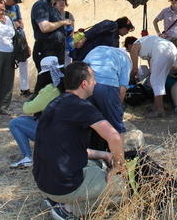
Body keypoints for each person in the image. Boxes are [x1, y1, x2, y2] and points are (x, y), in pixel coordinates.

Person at [33, 61, 125, 219]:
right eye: (93, 79)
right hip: (64, 186)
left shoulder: (54, 103)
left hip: (44, 183)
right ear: (84, 84)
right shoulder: (82, 107)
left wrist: (104, 155)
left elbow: (68, 149)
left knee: (97, 164)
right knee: (123, 188)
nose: (95, 83)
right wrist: (118, 166)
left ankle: (56, 201)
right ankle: (69, 210)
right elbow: (114, 137)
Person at [8, 56, 64, 169]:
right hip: (65, 133)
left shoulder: (49, 90)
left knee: (14, 123)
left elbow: (28, 109)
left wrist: (31, 98)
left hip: (53, 135)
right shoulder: (65, 86)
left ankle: (27, 157)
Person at [84, 45, 132, 150]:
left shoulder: (99, 49)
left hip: (85, 83)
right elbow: (122, 89)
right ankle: (119, 163)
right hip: (106, 85)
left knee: (88, 123)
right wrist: (117, 108)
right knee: (116, 127)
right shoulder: (126, 60)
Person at [129, 35, 177, 117]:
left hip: (162, 51)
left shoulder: (134, 46)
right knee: (158, 81)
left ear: (129, 46)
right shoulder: (146, 43)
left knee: (156, 81)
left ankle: (159, 110)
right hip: (171, 49)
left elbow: (135, 69)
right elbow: (151, 61)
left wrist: (130, 78)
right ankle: (156, 106)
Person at [31, 0, 71, 74]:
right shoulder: (41, 5)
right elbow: (44, 27)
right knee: (47, 81)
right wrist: (63, 22)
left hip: (56, 51)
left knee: (57, 82)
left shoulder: (52, 6)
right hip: (46, 50)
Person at [5, 0, 32, 97]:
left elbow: (21, 22)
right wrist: (13, 24)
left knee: (23, 61)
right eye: (14, 0)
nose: (15, 3)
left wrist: (17, 24)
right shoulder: (0, 6)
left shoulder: (15, 7)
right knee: (8, 64)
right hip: (7, 39)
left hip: (19, 37)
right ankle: (6, 90)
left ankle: (24, 89)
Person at [53, 0, 75, 65]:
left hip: (67, 46)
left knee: (67, 66)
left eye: (63, 0)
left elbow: (72, 31)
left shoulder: (69, 15)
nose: (62, 2)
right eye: (59, 0)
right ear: (55, 3)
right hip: (55, 46)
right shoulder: (51, 15)